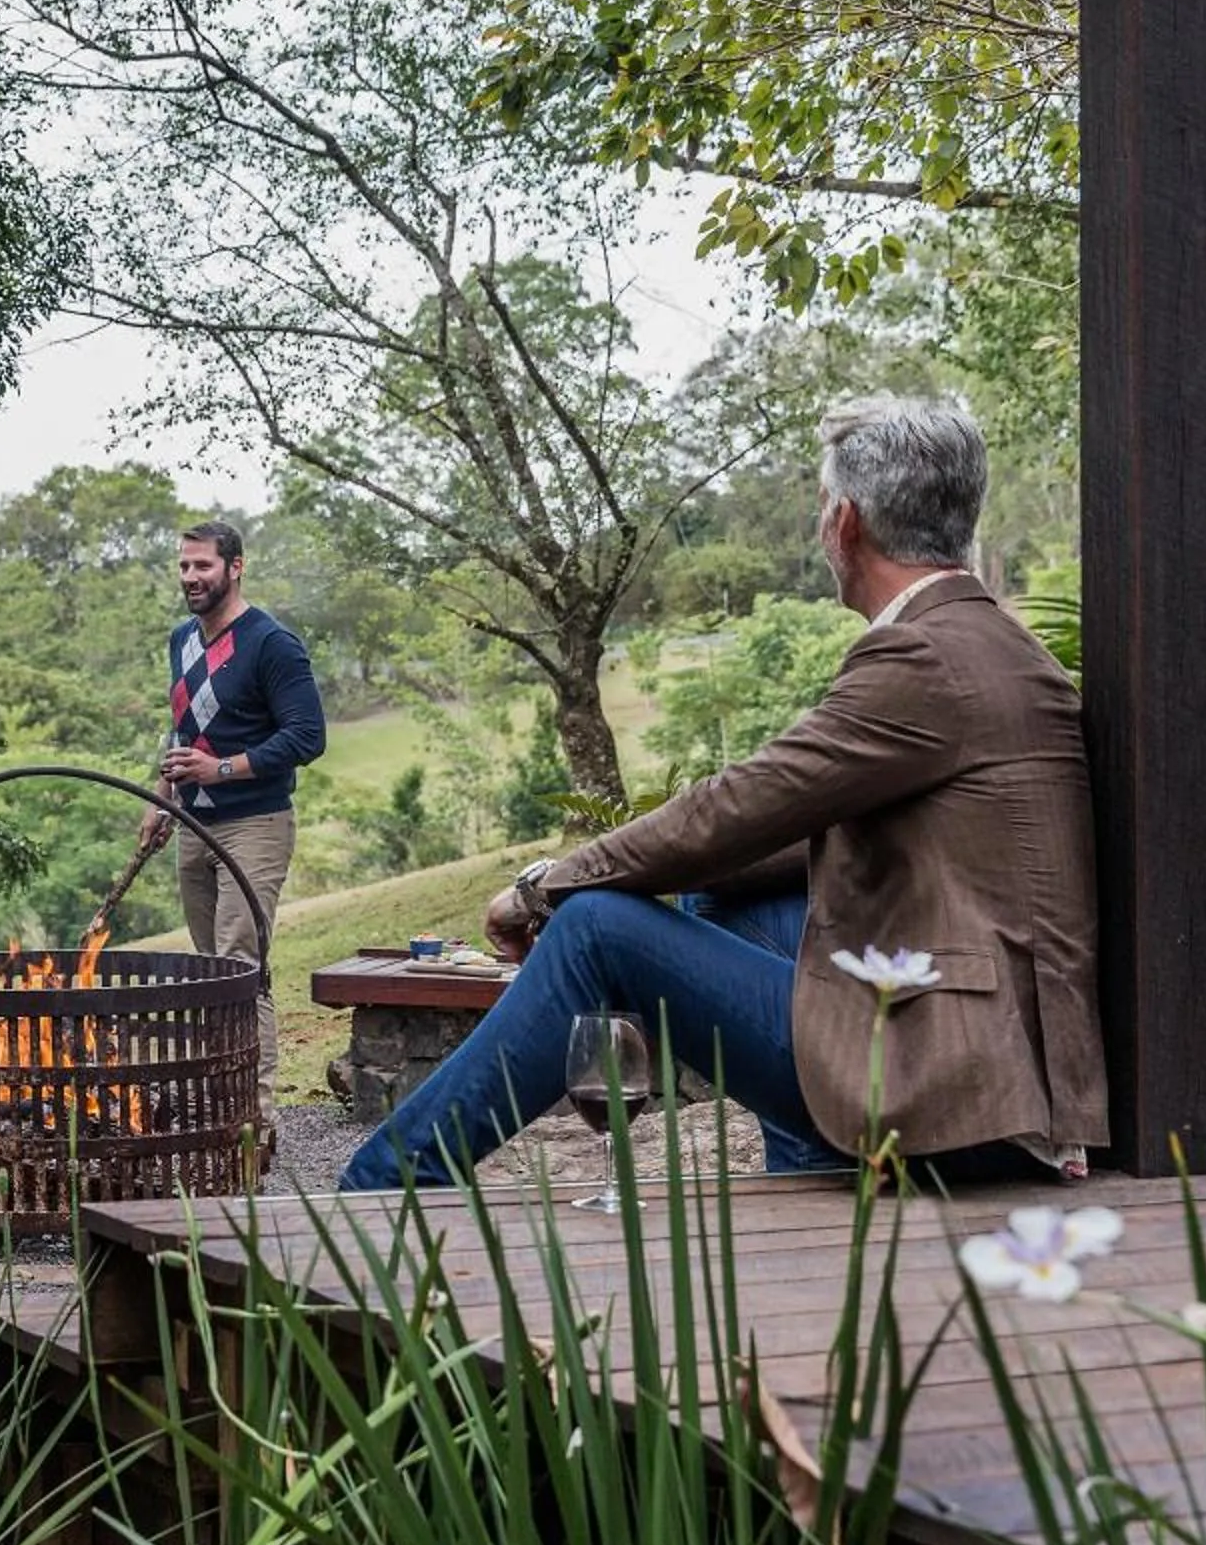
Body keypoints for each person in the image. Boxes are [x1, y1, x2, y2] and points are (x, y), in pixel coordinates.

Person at [340, 396, 1105, 1192]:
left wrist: (548, 886)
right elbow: (751, 836)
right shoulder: (986, 641)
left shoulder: (924, 661)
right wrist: (684, 867)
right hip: (999, 1057)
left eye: (819, 511)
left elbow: (733, 806)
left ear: (844, 524)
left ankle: (382, 1185)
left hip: (959, 1091)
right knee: (718, 893)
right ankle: (810, 1168)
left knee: (597, 929)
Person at [136, 520, 327, 1109]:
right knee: (211, 974)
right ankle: (218, 1100)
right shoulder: (181, 640)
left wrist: (219, 771)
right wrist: (162, 797)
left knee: (242, 968)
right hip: (194, 826)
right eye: (184, 566)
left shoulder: (271, 644)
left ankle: (254, 1119)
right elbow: (185, 729)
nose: (191, 577)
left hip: (255, 825)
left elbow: (307, 737)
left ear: (235, 567)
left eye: (203, 566)